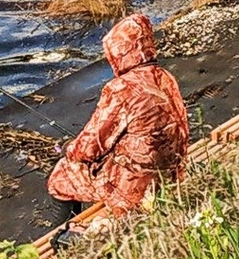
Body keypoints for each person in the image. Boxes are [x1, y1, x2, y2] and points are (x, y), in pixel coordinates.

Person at [46, 13, 190, 221]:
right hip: (171, 177)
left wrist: (69, 149)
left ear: (119, 53)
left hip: (134, 190)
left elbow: (89, 148)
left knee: (60, 178)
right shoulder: (166, 78)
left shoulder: (122, 88)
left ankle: (65, 235)